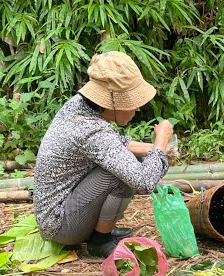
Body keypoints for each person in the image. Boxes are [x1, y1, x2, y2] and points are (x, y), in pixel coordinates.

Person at [33, 52, 173, 257]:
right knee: (126, 170)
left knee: (131, 160)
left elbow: (114, 144)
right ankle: (100, 240)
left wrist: (154, 149)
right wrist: (160, 143)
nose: (137, 108)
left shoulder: (80, 106)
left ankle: (99, 227)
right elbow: (144, 181)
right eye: (132, 102)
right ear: (112, 102)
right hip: (61, 225)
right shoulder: (91, 129)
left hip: (62, 210)